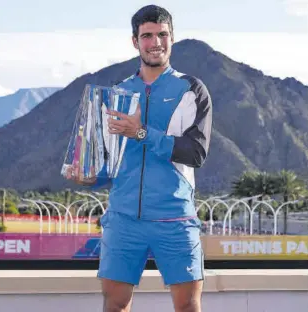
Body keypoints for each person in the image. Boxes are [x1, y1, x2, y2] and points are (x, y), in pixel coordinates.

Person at [74, 5, 212, 312]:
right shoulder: (118, 93)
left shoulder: (191, 90)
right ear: (135, 42)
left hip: (175, 218)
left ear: (172, 38)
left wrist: (142, 133)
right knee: (115, 306)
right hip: (123, 220)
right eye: (147, 35)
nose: (156, 42)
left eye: (162, 34)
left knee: (188, 307)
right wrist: (88, 176)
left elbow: (196, 153)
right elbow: (111, 163)